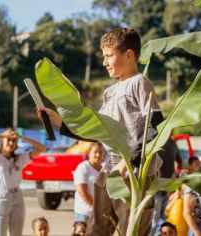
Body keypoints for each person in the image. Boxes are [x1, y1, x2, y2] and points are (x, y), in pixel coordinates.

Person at [38, 28, 164, 235]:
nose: (104, 62)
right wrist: (59, 123)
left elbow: (156, 125)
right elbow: (98, 133)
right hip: (108, 170)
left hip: (135, 174)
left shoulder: (140, 83)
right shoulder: (110, 92)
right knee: (96, 229)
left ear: (129, 55)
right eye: (103, 56)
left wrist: (128, 162)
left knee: (130, 229)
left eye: (109, 56)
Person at [0, 129, 46, 236]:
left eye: (14, 141)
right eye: (8, 140)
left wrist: (22, 137)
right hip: (1, 196)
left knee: (16, 233)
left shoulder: (19, 159)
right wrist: (1, 135)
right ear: (2, 141)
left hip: (17, 196)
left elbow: (42, 148)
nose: (11, 143)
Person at [151, 139, 182, 235]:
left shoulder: (173, 144)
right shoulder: (155, 141)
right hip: (156, 188)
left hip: (168, 188)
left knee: (164, 220)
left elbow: (179, 161)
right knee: (154, 221)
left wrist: (176, 177)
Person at [74, 142, 103, 223]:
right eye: (95, 152)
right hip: (84, 213)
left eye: (101, 152)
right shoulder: (83, 167)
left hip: (99, 213)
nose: (98, 155)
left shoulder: (105, 168)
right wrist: (96, 206)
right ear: (89, 153)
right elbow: (82, 191)